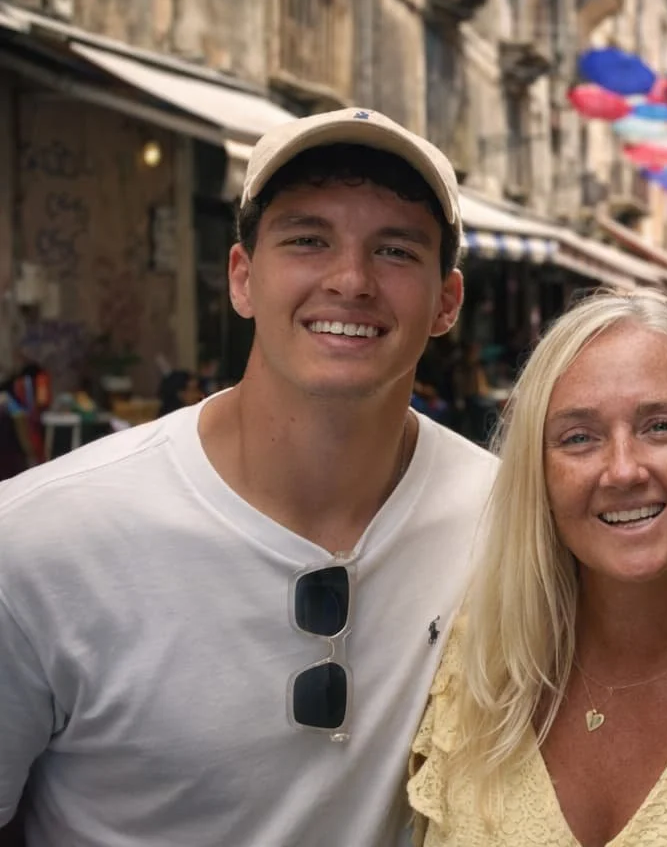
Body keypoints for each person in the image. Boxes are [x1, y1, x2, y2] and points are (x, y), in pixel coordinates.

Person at [0, 108, 499, 845]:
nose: (351, 280)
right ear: (242, 277)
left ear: (446, 303)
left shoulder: (504, 521)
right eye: (307, 240)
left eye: (395, 251)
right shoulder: (38, 542)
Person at [406, 289, 667, 846]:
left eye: (660, 426)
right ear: (539, 474)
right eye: (579, 438)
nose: (622, 470)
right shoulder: (474, 671)